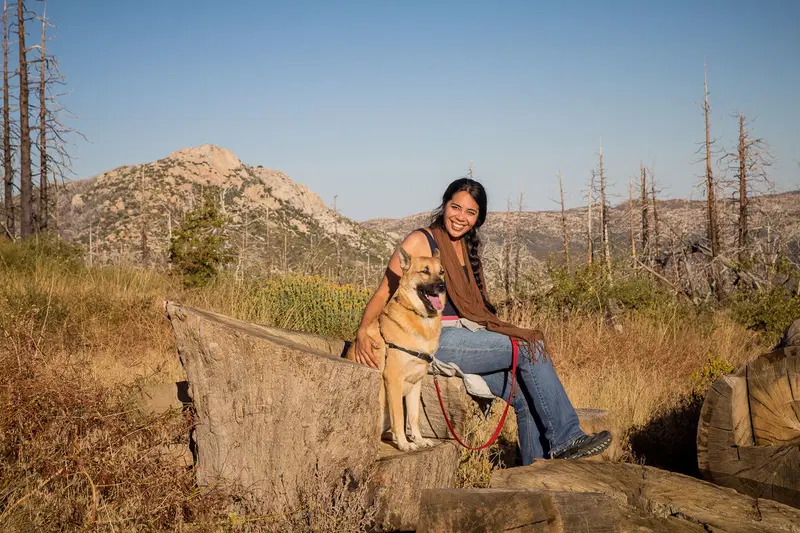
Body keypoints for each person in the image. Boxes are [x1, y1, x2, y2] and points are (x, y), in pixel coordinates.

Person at [352, 177, 612, 465]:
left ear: (478, 219)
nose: (460, 217)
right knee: (526, 347)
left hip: (468, 335)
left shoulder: (465, 247)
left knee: (523, 393)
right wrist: (364, 329)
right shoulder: (420, 240)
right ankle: (566, 437)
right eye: (456, 207)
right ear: (445, 205)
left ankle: (535, 473)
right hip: (437, 338)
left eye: (470, 212)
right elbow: (384, 291)